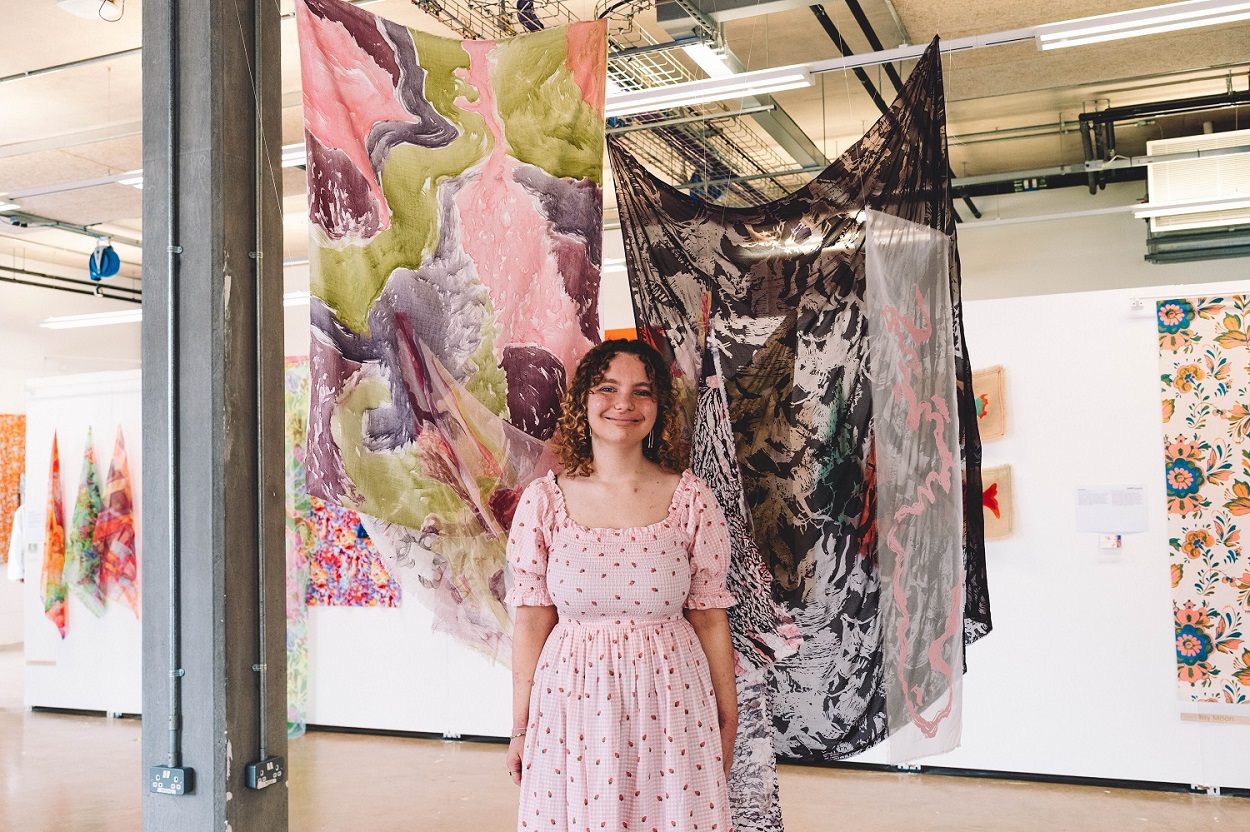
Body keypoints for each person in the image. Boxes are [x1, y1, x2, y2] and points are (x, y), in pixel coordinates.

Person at [504, 338, 738, 831]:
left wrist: (727, 716)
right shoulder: (544, 504)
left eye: (642, 391)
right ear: (583, 402)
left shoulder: (692, 500)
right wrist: (520, 728)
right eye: (607, 388)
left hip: (672, 703)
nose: (624, 404)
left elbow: (710, 616)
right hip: (573, 705)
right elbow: (531, 622)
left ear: (660, 406)